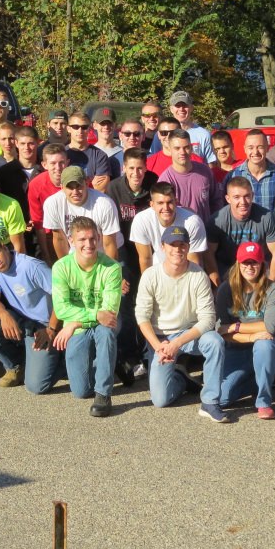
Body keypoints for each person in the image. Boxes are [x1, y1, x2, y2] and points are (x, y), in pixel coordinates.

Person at [135, 225, 228, 422]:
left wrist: (177, 344)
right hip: (160, 339)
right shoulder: (150, 276)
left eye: (182, 245)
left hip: (189, 335)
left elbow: (208, 319)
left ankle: (210, 401)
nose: (177, 250)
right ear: (162, 246)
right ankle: (182, 380)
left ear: (188, 247)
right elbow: (142, 318)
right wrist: (158, 347)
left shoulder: (199, 276)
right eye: (173, 245)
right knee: (160, 400)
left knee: (214, 341)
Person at [52, 217, 123, 417]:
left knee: (107, 333)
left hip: (100, 326)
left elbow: (109, 315)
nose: (88, 244)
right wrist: (81, 320)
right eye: (82, 239)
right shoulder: (61, 267)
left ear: (99, 238)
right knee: (81, 391)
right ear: (71, 240)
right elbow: (61, 309)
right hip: (77, 327)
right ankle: (111, 364)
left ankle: (103, 394)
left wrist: (76, 321)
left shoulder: (112, 268)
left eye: (92, 238)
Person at [0, 238, 62, 393]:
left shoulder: (31, 266)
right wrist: (4, 315)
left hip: (47, 325)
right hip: (24, 322)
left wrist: (52, 329)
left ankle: (64, 358)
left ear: (5, 248)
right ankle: (16, 365)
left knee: (36, 386)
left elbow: (62, 296)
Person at [215, 242, 275, 419]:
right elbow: (221, 331)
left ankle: (264, 401)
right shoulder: (226, 289)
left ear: (262, 263)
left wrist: (235, 326)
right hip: (237, 349)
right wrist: (252, 336)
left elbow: (270, 327)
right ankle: (257, 381)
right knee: (223, 399)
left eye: (254, 262)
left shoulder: (273, 288)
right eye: (245, 263)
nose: (249, 267)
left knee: (263, 344)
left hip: (271, 348)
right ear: (238, 264)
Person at [105, 147, 158, 378]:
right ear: (124, 168)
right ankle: (129, 354)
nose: (136, 173)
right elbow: (110, 231)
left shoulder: (154, 184)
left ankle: (150, 352)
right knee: (126, 302)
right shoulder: (114, 188)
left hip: (150, 250)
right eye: (131, 168)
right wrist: (116, 269)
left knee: (150, 301)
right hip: (125, 250)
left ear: (146, 169)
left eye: (140, 168)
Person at [207, 177, 275, 282]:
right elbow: (209, 254)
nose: (243, 202)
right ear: (228, 199)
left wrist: (270, 285)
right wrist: (218, 286)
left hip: (258, 270)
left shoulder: (266, 217)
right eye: (236, 197)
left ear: (252, 196)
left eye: (247, 196)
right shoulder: (217, 221)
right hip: (228, 272)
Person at [42, 166, 121, 260]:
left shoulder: (105, 204)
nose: (75, 192)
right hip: (77, 251)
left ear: (87, 183)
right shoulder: (52, 204)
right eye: (70, 187)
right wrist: (66, 267)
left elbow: (109, 243)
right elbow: (59, 239)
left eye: (79, 186)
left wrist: (109, 271)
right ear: (62, 187)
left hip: (106, 250)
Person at [129, 181, 208, 274]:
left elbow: (193, 261)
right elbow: (145, 259)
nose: (166, 208)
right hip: (158, 267)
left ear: (176, 202)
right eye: (160, 203)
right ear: (152, 205)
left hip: (185, 268)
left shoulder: (193, 222)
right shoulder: (141, 220)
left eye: (170, 202)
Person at [228, 129, 275, 218]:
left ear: (267, 148)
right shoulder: (233, 176)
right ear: (245, 149)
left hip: (273, 231)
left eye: (260, 147)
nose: (255, 152)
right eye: (251, 148)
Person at [158, 128, 214, 222]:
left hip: (206, 232)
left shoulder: (205, 171)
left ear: (191, 148)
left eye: (186, 147)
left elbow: (216, 200)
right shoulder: (165, 180)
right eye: (177, 148)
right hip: (179, 234)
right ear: (170, 150)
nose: (182, 152)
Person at [28, 144, 70, 265]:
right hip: (50, 235)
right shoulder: (36, 184)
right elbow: (38, 223)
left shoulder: (78, 180)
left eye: (62, 162)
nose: (58, 167)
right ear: (44, 165)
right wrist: (46, 256)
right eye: (53, 163)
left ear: (67, 162)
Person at [66, 111, 112, 192]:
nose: (80, 131)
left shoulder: (100, 156)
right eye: (76, 127)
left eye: (84, 127)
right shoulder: (61, 154)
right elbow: (58, 185)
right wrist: (90, 185)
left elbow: (101, 189)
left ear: (89, 129)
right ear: (68, 129)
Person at [167, 90, 215, 163]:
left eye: (185, 105)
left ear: (191, 108)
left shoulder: (204, 135)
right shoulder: (162, 134)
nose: (181, 109)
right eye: (177, 106)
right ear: (171, 109)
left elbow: (211, 163)